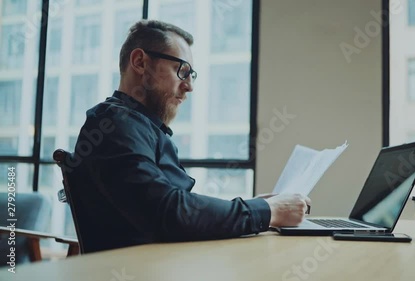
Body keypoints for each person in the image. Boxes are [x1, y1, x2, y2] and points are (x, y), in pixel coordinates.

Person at [70, 19, 310, 253]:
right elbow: (169, 213)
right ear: (140, 62)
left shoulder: (137, 126)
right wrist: (265, 211)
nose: (189, 86)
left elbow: (181, 208)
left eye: (191, 74)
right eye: (181, 70)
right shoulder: (111, 125)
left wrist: (258, 206)